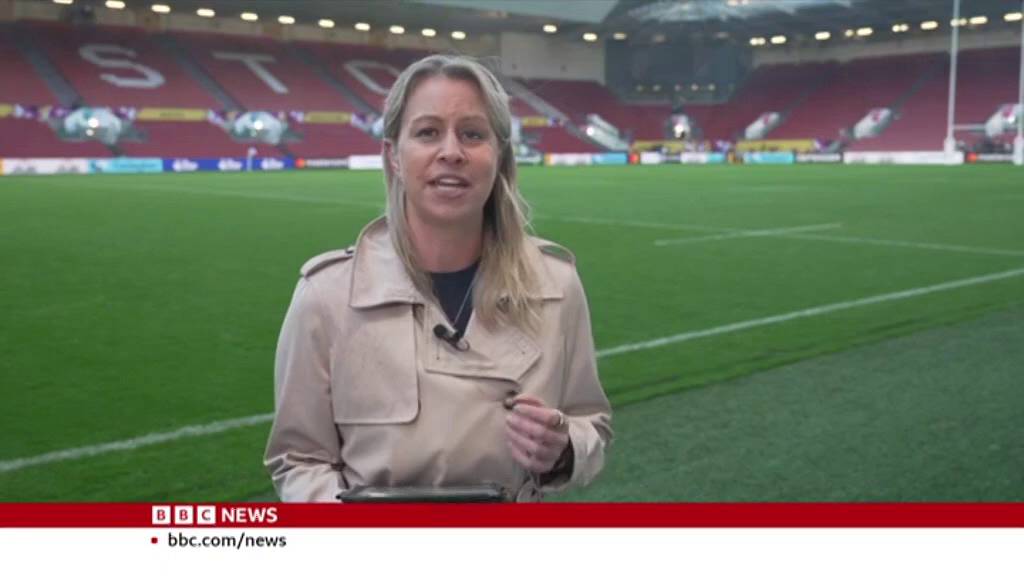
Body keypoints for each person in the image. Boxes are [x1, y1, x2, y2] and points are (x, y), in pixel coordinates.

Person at [264, 54, 612, 502]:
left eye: (473, 134)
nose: (451, 152)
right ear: (393, 156)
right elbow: (298, 460)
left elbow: (590, 424)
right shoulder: (326, 295)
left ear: (500, 155)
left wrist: (563, 449)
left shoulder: (557, 286)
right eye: (428, 132)